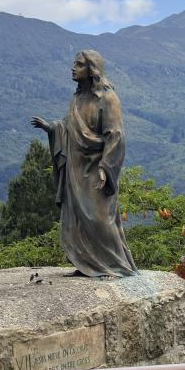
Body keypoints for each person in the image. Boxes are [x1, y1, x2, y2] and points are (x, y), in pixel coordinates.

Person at [32, 50, 137, 279]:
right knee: (77, 218)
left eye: (79, 65)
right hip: (76, 167)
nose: (73, 68)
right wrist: (51, 128)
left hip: (97, 168)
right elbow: (68, 126)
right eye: (74, 63)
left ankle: (115, 266)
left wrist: (105, 167)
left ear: (91, 70)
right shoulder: (77, 98)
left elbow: (115, 136)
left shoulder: (108, 99)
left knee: (100, 218)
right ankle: (87, 264)